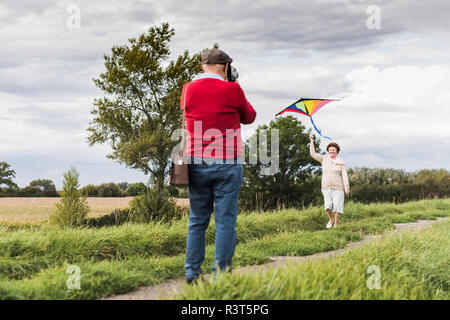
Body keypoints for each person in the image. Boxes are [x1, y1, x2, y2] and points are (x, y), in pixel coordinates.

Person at [180, 48, 256, 283]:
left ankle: (192, 273)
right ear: (226, 67)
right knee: (225, 221)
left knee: (197, 220)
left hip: (196, 161)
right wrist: (234, 83)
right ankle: (221, 275)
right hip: (227, 162)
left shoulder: (188, 89)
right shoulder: (232, 89)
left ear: (203, 66)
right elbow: (249, 116)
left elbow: (188, 115)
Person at [309, 134, 350, 228]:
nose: (332, 151)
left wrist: (346, 187)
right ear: (328, 151)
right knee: (327, 206)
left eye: (334, 150)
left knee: (337, 206)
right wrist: (311, 140)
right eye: (330, 150)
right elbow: (313, 154)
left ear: (337, 151)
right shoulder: (324, 158)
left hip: (338, 188)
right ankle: (330, 219)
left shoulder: (341, 163)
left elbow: (344, 175)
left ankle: (336, 223)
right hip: (326, 187)